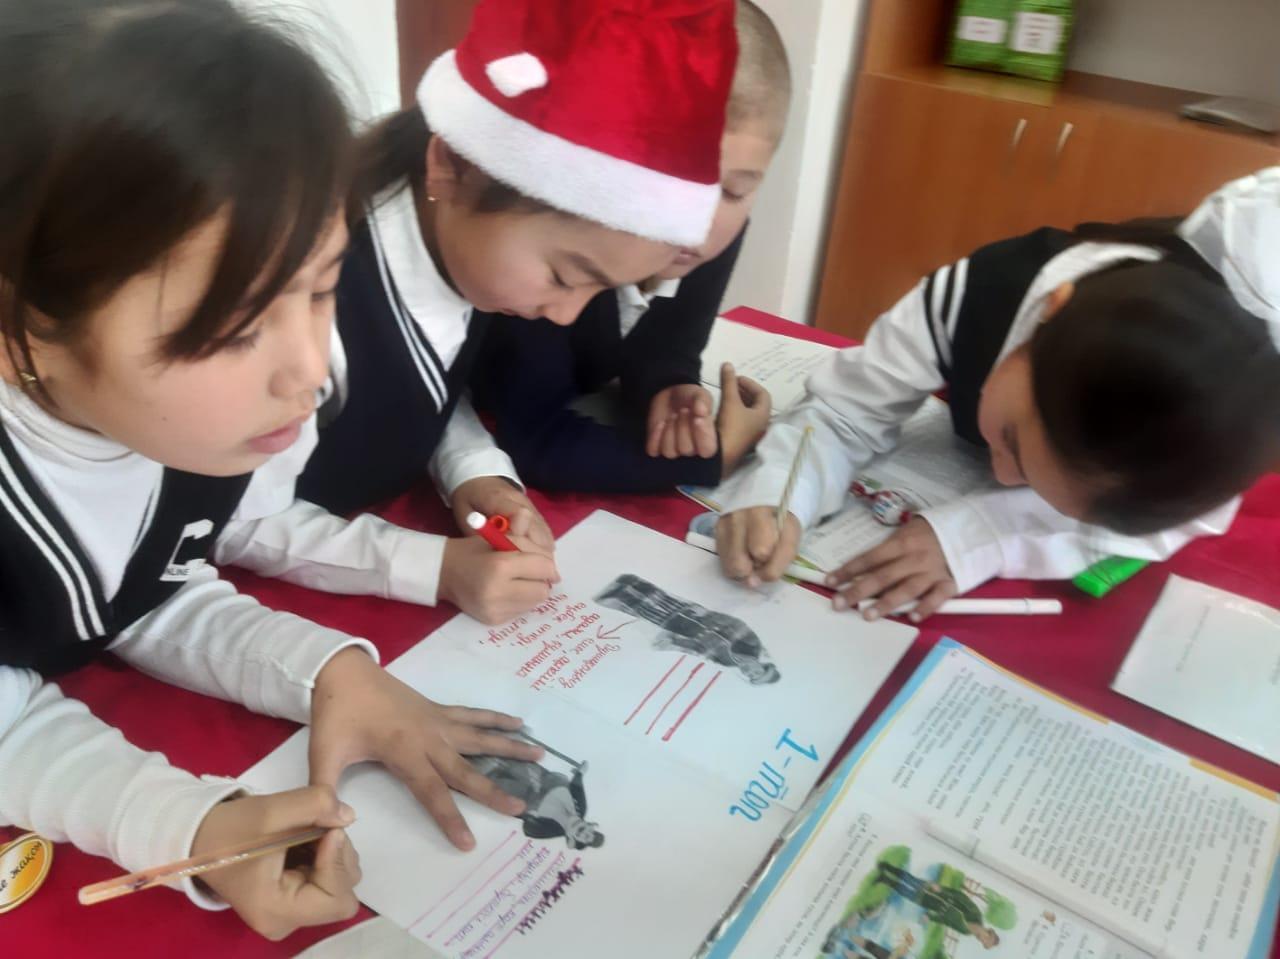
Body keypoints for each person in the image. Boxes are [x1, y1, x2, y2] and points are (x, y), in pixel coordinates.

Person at [0, 1, 540, 939]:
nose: (308, 372)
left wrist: (328, 671)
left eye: (323, 286)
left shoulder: (197, 428)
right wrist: (190, 824)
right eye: (237, 325)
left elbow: (145, 588)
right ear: (22, 332)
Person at [213, 0, 746, 626]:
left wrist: (477, 476)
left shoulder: (463, 248)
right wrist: (432, 567)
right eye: (564, 276)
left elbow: (430, 392)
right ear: (452, 167)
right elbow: (235, 518)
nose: (566, 316)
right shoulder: (313, 302)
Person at [715, 190, 1280, 621]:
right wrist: (780, 493)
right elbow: (845, 410)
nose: (1002, 475)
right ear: (1049, 312)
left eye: (1045, 489)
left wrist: (982, 532)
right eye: (1011, 439)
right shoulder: (979, 294)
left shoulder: (1220, 437)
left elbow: (1167, 525)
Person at [471, 0, 792, 493]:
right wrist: (715, 459)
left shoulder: (712, 236)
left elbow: (670, 344)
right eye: (679, 180)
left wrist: (668, 384)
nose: (700, 225)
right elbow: (531, 436)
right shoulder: (561, 239)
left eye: (733, 192)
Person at [594, 574, 780, 684]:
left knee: (650, 613)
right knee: (663, 599)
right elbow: (736, 624)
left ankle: (621, 595)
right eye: (756, 672)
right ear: (762, 665)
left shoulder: (727, 662)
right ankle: (633, 583)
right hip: (701, 618)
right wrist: (708, 614)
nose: (749, 672)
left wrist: (674, 641)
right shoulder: (751, 645)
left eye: (750, 676)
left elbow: (700, 649)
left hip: (685, 630)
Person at [468, 756, 604, 850]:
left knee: (486, 773)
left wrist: (530, 817)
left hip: (519, 794)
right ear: (591, 825)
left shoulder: (552, 831)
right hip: (538, 776)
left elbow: (529, 830)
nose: (586, 833)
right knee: (506, 759)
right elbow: (577, 788)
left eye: (585, 838)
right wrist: (580, 773)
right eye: (590, 832)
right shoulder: (581, 808)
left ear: (573, 840)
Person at [873, 864, 1000, 949]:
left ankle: (884, 878)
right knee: (910, 879)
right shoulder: (976, 914)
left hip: (929, 903)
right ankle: (886, 867)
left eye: (984, 944)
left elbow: (946, 921)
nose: (982, 942)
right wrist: (941, 889)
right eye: (986, 942)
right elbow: (960, 897)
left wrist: (930, 917)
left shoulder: (966, 932)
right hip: (937, 892)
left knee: (905, 892)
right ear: (989, 935)